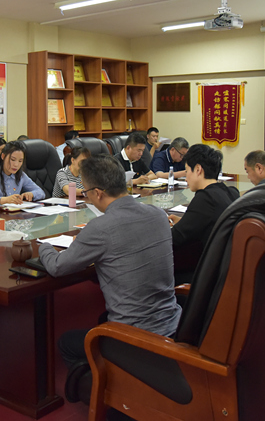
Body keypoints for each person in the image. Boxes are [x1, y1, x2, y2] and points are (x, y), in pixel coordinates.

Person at [38, 155, 181, 403]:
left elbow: (58, 267)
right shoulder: (158, 214)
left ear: (97, 193)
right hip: (173, 323)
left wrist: (44, 246)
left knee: (66, 343)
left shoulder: (101, 228)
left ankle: (112, 395)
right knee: (102, 318)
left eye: (86, 192)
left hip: (132, 335)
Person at [168, 144, 239, 284]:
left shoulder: (205, 198)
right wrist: (185, 221)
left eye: (187, 171)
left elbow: (174, 238)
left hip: (206, 277)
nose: (186, 178)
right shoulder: (231, 192)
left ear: (198, 169)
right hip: (226, 271)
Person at [0, 141, 46, 208]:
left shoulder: (21, 175)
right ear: (3, 156)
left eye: (20, 161)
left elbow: (41, 192)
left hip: (15, 214)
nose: (16, 165)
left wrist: (31, 194)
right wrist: (4, 200)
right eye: (12, 159)